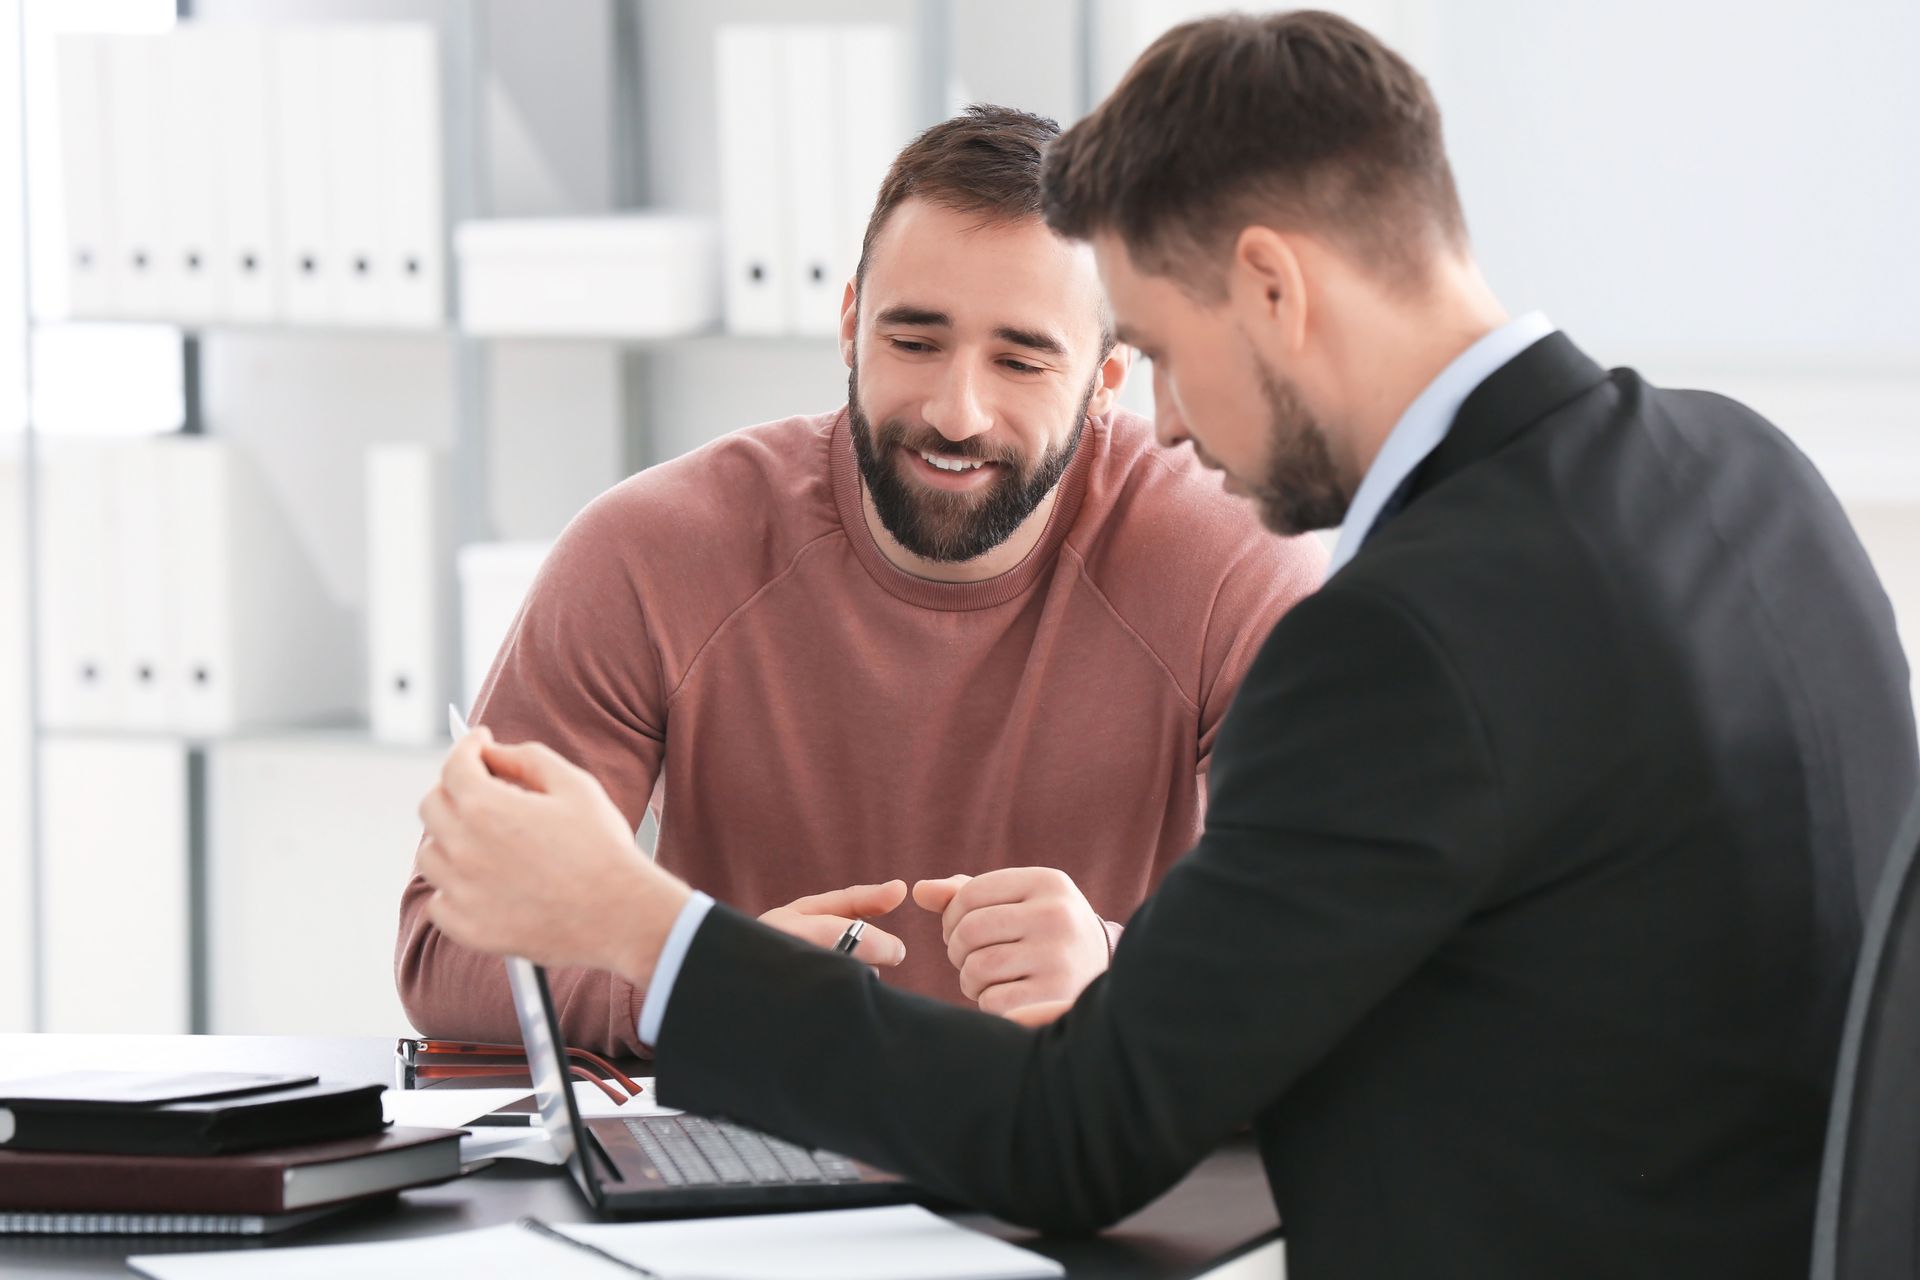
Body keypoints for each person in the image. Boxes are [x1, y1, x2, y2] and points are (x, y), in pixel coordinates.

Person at [411, 11, 1920, 1277]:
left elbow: (1080, 1134)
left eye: (1167, 358)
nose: (1174, 428)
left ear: (1272, 287)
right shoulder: (1748, 471)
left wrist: (648, 933)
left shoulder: (1398, 638)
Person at [395, 105, 1325, 1056]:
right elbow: (445, 948)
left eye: (1021, 359)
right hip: (761, 1162)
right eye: (915, 343)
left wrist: (1122, 972)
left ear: (1105, 379)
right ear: (849, 325)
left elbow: (1345, 958)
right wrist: (707, 982)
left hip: (1086, 1162)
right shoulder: (647, 553)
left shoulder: (1235, 564)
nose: (958, 413)